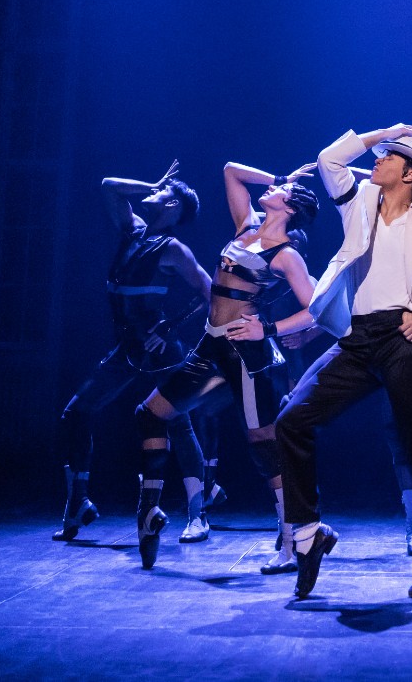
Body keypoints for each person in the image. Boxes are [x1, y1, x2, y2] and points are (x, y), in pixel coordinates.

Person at [268, 124, 412, 600]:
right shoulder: (358, 202)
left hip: (404, 336)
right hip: (358, 338)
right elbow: (329, 159)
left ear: (411, 173)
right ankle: (307, 534)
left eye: (389, 154)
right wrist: (388, 131)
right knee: (291, 420)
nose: (378, 159)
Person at [126, 161, 322, 570]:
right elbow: (231, 170)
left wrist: (268, 328)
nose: (274, 187)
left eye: (281, 190)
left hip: (244, 353)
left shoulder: (286, 255)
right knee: (149, 413)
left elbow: (316, 309)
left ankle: (292, 539)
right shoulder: (246, 226)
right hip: (210, 345)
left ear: (289, 208)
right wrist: (280, 179)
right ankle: (149, 509)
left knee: (263, 444)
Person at [54, 163, 212, 542]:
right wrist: (154, 181)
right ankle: (78, 502)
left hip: (160, 351)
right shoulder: (133, 231)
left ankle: (198, 516)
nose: (152, 193)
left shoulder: (173, 250)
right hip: (127, 348)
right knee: (75, 413)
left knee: (178, 424)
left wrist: (171, 325)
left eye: (161, 191)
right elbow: (109, 185)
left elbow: (209, 291)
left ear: (172, 205)